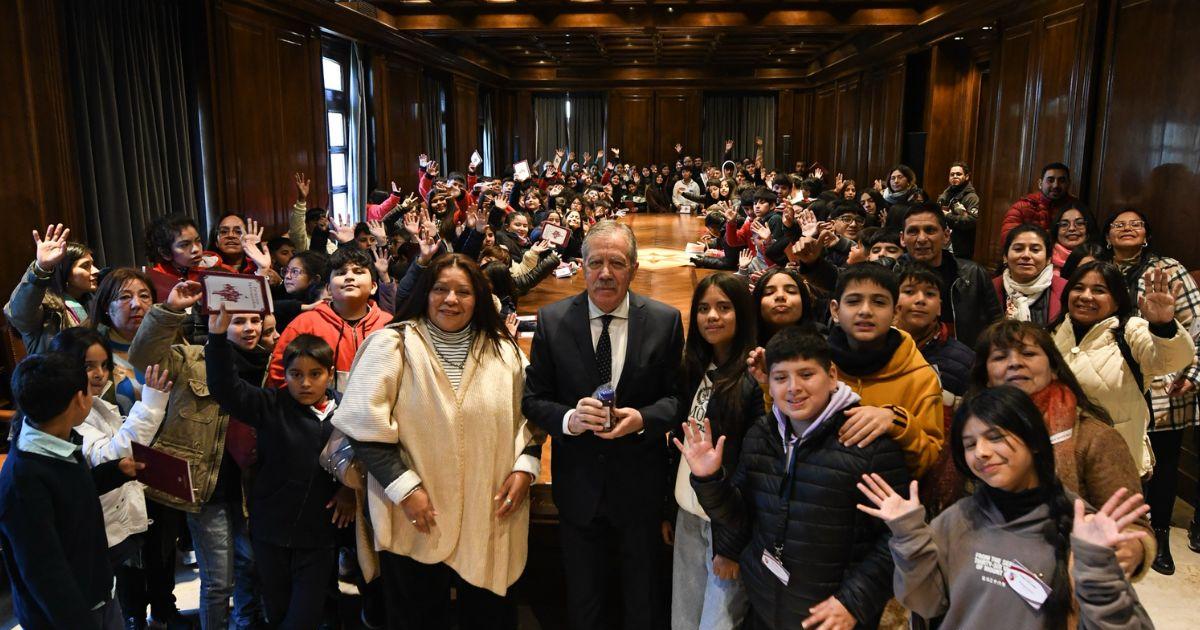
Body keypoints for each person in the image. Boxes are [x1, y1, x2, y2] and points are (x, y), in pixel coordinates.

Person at [335, 254, 538, 629]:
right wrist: (406, 489)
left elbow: (530, 417)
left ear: (479, 298)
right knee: (416, 617)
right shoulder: (392, 345)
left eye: (463, 292)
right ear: (425, 293)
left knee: (489, 618)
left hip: (487, 513)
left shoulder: (504, 350)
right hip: (413, 516)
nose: (451, 299)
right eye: (440, 289)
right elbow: (364, 427)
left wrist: (526, 467)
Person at [858, 386, 1154, 629]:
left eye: (995, 437)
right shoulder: (955, 521)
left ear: (1033, 440)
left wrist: (1098, 572)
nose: (981, 452)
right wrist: (909, 536)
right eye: (970, 444)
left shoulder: (1081, 528)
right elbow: (926, 605)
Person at [682, 329, 909, 629]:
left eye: (806, 374)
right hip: (765, 605)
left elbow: (898, 537)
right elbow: (739, 518)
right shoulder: (761, 434)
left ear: (831, 375)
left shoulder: (869, 445)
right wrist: (709, 479)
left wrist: (853, 601)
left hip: (832, 618)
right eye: (780, 377)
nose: (793, 388)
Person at [522, 220, 684, 630]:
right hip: (579, 489)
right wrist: (570, 420)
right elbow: (533, 400)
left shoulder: (664, 321)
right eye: (595, 263)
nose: (605, 273)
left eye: (617, 263)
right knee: (584, 604)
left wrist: (643, 419)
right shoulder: (552, 320)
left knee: (642, 603)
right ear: (582, 267)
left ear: (634, 268)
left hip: (641, 490)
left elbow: (677, 399)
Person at [129, 280, 268, 630]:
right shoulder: (192, 359)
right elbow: (143, 357)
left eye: (254, 320)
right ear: (218, 322)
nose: (249, 328)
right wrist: (170, 309)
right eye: (238, 321)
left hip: (252, 487)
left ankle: (245, 623)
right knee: (218, 580)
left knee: (251, 566)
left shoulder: (270, 366)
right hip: (207, 489)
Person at [205, 308, 355, 627]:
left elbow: (364, 457)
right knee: (277, 611)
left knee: (305, 616)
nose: (305, 383)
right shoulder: (271, 405)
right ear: (284, 375)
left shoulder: (346, 412)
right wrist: (216, 339)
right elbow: (225, 389)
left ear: (330, 373)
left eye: (315, 374)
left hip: (319, 536)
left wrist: (349, 489)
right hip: (270, 533)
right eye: (295, 374)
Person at [973, 319, 1154, 578]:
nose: (1014, 363)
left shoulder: (1095, 437)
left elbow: (1132, 525)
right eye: (1000, 357)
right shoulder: (971, 433)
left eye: (1028, 353)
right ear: (986, 377)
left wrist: (1131, 549)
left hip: (1063, 582)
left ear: (1054, 368)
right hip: (982, 576)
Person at [0, 352, 143, 629]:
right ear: (80, 399)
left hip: (99, 593)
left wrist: (115, 472)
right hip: (70, 616)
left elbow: (70, 497)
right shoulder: (23, 480)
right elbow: (44, 575)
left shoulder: (58, 441)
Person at [50, 328, 174, 628]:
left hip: (119, 516)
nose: (99, 374)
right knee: (115, 601)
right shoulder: (67, 414)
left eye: (104, 365)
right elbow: (110, 455)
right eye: (88, 366)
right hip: (100, 527)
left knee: (138, 581)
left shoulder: (98, 404)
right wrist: (151, 406)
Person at [1101, 207, 1200, 574]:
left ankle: (1159, 535)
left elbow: (1197, 324)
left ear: (1147, 234)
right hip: (1113, 380)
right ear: (1107, 235)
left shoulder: (1169, 270)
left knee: (1164, 462)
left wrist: (1194, 373)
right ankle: (1116, 532)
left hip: (1165, 382)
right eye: (1119, 224)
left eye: (1136, 224)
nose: (1127, 228)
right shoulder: (1098, 269)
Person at [665, 273, 759, 630]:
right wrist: (668, 509)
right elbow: (678, 448)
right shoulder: (694, 370)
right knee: (684, 621)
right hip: (688, 516)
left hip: (725, 525)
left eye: (724, 307)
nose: (712, 317)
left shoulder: (752, 379)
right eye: (703, 309)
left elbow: (751, 469)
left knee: (717, 624)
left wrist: (730, 546)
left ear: (742, 314)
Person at [1051, 261, 1195, 478]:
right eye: (1078, 288)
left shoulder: (1131, 330)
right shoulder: (1054, 331)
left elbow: (1173, 360)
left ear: (1117, 300)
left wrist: (1164, 326)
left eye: (1099, 290)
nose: (1086, 296)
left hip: (1116, 464)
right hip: (1059, 463)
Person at [267, 247, 393, 390]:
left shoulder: (388, 325)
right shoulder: (304, 324)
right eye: (340, 273)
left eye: (358, 272)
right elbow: (279, 374)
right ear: (329, 289)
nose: (349, 277)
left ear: (374, 286)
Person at [899, 203, 1001, 347]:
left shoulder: (973, 274)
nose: (921, 239)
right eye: (913, 231)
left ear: (946, 235)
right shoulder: (891, 275)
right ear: (902, 238)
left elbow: (997, 325)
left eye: (930, 230)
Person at [4, 223, 99, 353]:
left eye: (93, 265)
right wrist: (41, 268)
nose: (96, 271)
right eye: (85, 266)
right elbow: (20, 314)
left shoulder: (94, 301)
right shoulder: (46, 306)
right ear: (64, 271)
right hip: (56, 366)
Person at [894, 264, 974, 403]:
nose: (920, 300)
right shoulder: (874, 347)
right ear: (893, 301)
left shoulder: (966, 360)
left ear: (939, 308)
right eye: (909, 291)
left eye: (930, 294)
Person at [88, 269, 157, 413]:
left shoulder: (166, 341)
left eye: (144, 296)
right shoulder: (91, 351)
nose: (137, 304)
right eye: (125, 297)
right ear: (106, 306)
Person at [993, 224, 1067, 324]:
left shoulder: (1066, 290)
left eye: (1035, 250)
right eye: (1018, 249)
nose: (1026, 255)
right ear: (1005, 257)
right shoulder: (990, 288)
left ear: (1048, 259)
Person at [1000, 162, 1078, 242]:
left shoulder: (1077, 208)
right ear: (1040, 183)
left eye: (1061, 181)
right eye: (1050, 180)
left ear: (1068, 184)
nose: (1056, 185)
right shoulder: (1021, 207)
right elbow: (1008, 239)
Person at [752, 267, 821, 344]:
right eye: (769, 292)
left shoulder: (823, 342)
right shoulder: (745, 347)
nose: (780, 295)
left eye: (791, 291)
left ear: (804, 300)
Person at [936, 161, 981, 259]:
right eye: (952, 174)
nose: (955, 176)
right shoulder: (944, 196)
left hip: (960, 246)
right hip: (942, 243)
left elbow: (972, 221)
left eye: (958, 174)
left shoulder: (971, 197)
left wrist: (948, 216)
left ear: (966, 176)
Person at [1049, 203, 1097, 271]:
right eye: (1064, 224)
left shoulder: (1099, 261)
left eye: (1079, 223)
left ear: (1089, 228)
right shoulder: (1045, 258)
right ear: (1056, 230)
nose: (1071, 228)